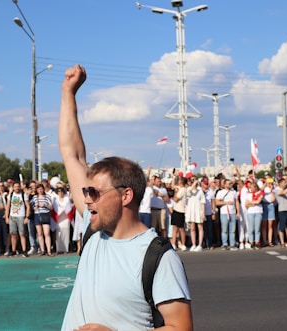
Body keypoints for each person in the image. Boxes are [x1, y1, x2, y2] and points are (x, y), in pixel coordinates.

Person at [59, 64, 192, 330]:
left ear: (125, 195)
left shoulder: (158, 257)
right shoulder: (93, 230)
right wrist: (68, 93)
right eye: (86, 192)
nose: (87, 200)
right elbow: (72, 153)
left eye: (95, 193)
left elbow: (181, 327)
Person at [5, 181, 30, 257]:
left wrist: (26, 217)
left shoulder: (23, 194)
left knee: (22, 234)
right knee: (13, 234)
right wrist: (7, 217)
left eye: (18, 186)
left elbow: (28, 206)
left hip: (21, 215)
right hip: (12, 216)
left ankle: (24, 250)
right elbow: (8, 206)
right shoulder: (11, 195)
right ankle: (13, 250)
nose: (17, 188)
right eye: (15, 186)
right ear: (13, 187)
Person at [216, 178, 240, 250]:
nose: (230, 185)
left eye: (231, 183)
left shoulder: (233, 192)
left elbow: (236, 202)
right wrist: (226, 203)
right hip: (224, 213)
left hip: (232, 212)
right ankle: (225, 244)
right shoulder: (220, 192)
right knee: (224, 229)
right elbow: (217, 202)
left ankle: (232, 244)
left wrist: (238, 212)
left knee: (232, 230)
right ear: (225, 184)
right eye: (229, 183)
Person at [30, 183, 54, 256]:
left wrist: (45, 204)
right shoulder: (34, 197)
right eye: (38, 189)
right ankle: (42, 250)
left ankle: (49, 251)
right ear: (36, 190)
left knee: (47, 233)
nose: (40, 190)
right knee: (40, 234)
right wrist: (36, 206)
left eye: (41, 188)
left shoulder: (47, 197)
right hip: (37, 214)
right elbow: (32, 208)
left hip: (45, 214)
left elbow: (51, 207)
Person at [185, 177, 205, 252]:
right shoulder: (189, 189)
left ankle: (200, 244)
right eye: (192, 180)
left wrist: (203, 213)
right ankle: (193, 244)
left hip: (198, 210)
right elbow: (189, 192)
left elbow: (203, 202)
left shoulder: (200, 191)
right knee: (192, 228)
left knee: (200, 227)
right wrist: (194, 184)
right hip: (191, 211)